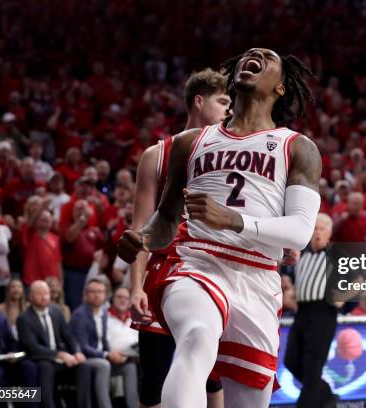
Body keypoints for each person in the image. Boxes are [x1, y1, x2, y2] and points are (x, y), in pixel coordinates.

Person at [118, 48, 321, 407]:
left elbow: (301, 231)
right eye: (248, 54)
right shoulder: (189, 142)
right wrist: (145, 239)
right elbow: (166, 217)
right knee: (196, 337)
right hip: (198, 263)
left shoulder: (297, 147)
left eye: (266, 57)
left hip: (258, 278)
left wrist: (234, 220)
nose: (253, 54)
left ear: (280, 89)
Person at [127, 68, 229, 408]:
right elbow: (141, 228)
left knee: (214, 379)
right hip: (165, 274)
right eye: (223, 101)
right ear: (199, 101)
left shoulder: (234, 157)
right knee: (152, 387)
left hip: (215, 275)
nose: (230, 110)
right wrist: (134, 287)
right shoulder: (157, 156)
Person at [284, 213, 338, 408]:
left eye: (322, 229)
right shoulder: (302, 255)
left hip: (323, 312)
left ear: (329, 233)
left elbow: (359, 281)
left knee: (312, 367)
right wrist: (291, 292)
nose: (317, 232)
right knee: (291, 360)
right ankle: (327, 396)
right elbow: (299, 282)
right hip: (302, 312)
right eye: (315, 228)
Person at [17, 280, 92, 408]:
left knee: (83, 366)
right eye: (39, 294)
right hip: (40, 358)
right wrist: (60, 355)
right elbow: (33, 347)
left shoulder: (56, 311)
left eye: (46, 293)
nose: (44, 297)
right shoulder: (24, 318)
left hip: (60, 358)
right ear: (30, 296)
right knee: (46, 366)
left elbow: (69, 336)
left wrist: (77, 352)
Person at [70, 278, 138, 408]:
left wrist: (113, 354)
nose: (96, 295)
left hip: (101, 357)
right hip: (85, 360)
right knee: (104, 364)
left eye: (100, 292)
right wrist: (107, 355)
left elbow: (104, 340)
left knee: (129, 367)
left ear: (105, 295)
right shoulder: (80, 315)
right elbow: (83, 347)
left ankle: (133, 405)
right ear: (86, 293)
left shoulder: (103, 313)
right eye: (93, 291)